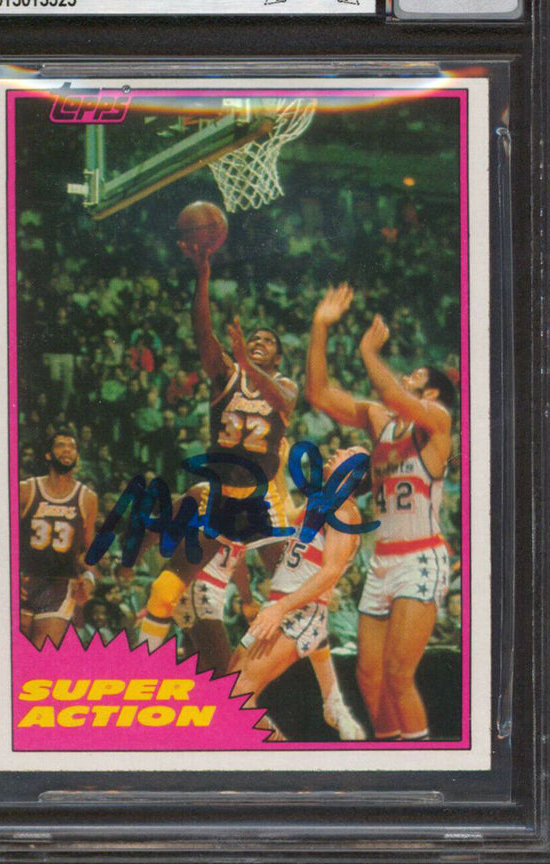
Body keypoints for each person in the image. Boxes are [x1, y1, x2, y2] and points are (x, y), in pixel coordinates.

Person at [306, 283, 454, 741]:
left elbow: (392, 393)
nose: (405, 375)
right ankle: (391, 755)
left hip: (420, 558)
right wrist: (319, 327)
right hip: (383, 559)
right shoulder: (380, 421)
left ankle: (420, 764)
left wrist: (369, 352)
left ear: (431, 391)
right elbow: (318, 393)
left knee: (397, 674)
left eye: (415, 374)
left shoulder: (437, 422)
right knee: (369, 677)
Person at [137, 242, 297, 650]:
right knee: (163, 592)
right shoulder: (226, 373)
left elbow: (281, 400)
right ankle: (139, 665)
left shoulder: (284, 387)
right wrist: (203, 276)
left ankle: (295, 676)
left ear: (278, 357)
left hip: (262, 502)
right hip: (219, 496)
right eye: (254, 338)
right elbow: (202, 332)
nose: (259, 341)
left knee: (293, 595)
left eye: (268, 341)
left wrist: (247, 361)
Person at [231, 448, 366, 741]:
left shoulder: (344, 512)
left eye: (349, 453)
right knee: (228, 687)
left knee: (236, 694)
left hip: (298, 610)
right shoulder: (319, 502)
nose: (338, 451)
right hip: (280, 604)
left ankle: (282, 755)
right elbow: (286, 516)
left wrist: (281, 609)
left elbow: (331, 572)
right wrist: (278, 468)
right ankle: (332, 703)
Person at [19, 430, 98, 649]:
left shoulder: (87, 498)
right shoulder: (26, 490)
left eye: (72, 447)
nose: (67, 450)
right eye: (61, 445)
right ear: (48, 454)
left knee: (41, 650)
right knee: (18, 651)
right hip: (24, 579)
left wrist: (89, 579)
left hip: (60, 584)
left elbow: (89, 550)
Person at [172, 536, 260, 675]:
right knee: (223, 670)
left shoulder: (243, 530)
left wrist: (247, 601)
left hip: (212, 590)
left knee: (200, 667)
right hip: (199, 589)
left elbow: (238, 564)